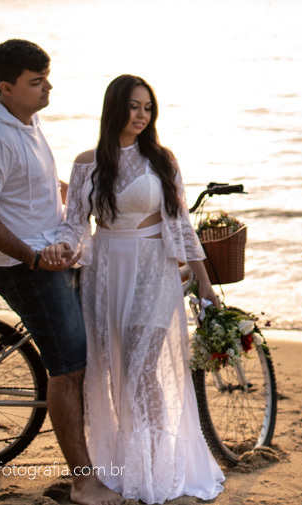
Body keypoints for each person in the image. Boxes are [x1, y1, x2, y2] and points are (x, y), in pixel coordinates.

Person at [48, 74, 225, 504]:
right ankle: (127, 463)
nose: (142, 115)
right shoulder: (86, 162)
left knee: (141, 366)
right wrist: (61, 248)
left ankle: (157, 465)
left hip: (152, 268)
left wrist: (204, 282)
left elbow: (180, 223)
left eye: (147, 107)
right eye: (133, 106)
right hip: (105, 270)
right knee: (113, 369)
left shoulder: (162, 159)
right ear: (115, 109)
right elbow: (76, 224)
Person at [0, 39, 122, 505]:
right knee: (68, 367)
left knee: (80, 359)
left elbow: (32, 183)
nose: (47, 87)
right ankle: (82, 482)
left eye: (46, 77)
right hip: (27, 266)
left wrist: (83, 196)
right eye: (36, 82)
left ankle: (94, 464)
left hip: (53, 254)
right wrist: (32, 258)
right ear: (6, 87)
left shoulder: (26, 119)